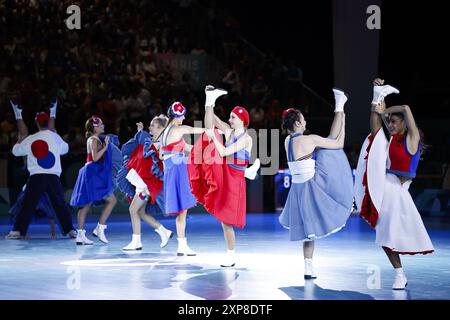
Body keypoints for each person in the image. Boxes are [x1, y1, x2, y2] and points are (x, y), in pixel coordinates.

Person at [354, 78, 434, 290]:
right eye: (388, 121)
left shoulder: (412, 138)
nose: (390, 124)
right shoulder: (388, 141)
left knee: (394, 235)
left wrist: (385, 109)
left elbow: (406, 108)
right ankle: (399, 274)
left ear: (404, 123)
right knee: (384, 236)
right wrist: (379, 104)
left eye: (394, 121)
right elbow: (377, 128)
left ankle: (380, 95)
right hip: (385, 186)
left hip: (399, 192)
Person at [278, 89, 353, 279]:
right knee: (330, 147)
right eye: (303, 120)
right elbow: (339, 143)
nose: (306, 122)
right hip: (312, 187)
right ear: (297, 123)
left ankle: (308, 267)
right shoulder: (309, 139)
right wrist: (343, 120)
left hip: (297, 190)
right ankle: (340, 106)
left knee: (307, 233)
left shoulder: (287, 140)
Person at [189, 86, 260, 267]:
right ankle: (209, 98)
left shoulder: (246, 138)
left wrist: (213, 137)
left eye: (233, 117)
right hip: (225, 172)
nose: (230, 119)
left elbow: (225, 151)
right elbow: (212, 121)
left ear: (242, 120)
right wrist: (209, 103)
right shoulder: (228, 131)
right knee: (208, 130)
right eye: (230, 116)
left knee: (226, 220)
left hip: (234, 178)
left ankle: (231, 255)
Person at [5, 111, 75, 239]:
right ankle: (70, 231)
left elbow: (15, 152)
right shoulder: (55, 137)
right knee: (60, 204)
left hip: (37, 176)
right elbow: (66, 149)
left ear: (37, 123)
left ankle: (17, 231)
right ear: (48, 122)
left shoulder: (32, 138)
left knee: (27, 204)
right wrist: (56, 134)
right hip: (53, 176)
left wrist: (20, 140)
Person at [155, 102, 205, 256]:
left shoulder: (165, 132)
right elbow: (195, 130)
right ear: (177, 116)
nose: (184, 118)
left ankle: (182, 245)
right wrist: (214, 131)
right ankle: (182, 245)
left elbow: (170, 150)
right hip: (177, 169)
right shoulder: (178, 129)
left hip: (172, 168)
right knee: (182, 209)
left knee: (182, 210)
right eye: (182, 115)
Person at [118, 116, 174, 251]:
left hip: (146, 186)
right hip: (142, 183)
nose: (150, 128)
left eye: (152, 126)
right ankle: (164, 232)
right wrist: (140, 131)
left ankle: (136, 241)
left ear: (161, 129)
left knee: (133, 209)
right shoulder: (152, 141)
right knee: (141, 213)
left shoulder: (162, 144)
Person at [70, 116, 117, 245]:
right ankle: (99, 228)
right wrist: (106, 146)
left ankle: (82, 234)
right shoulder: (94, 140)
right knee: (110, 200)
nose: (103, 125)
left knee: (86, 204)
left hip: (92, 172)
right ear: (95, 127)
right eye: (100, 124)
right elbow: (95, 157)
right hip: (92, 172)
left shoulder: (93, 139)